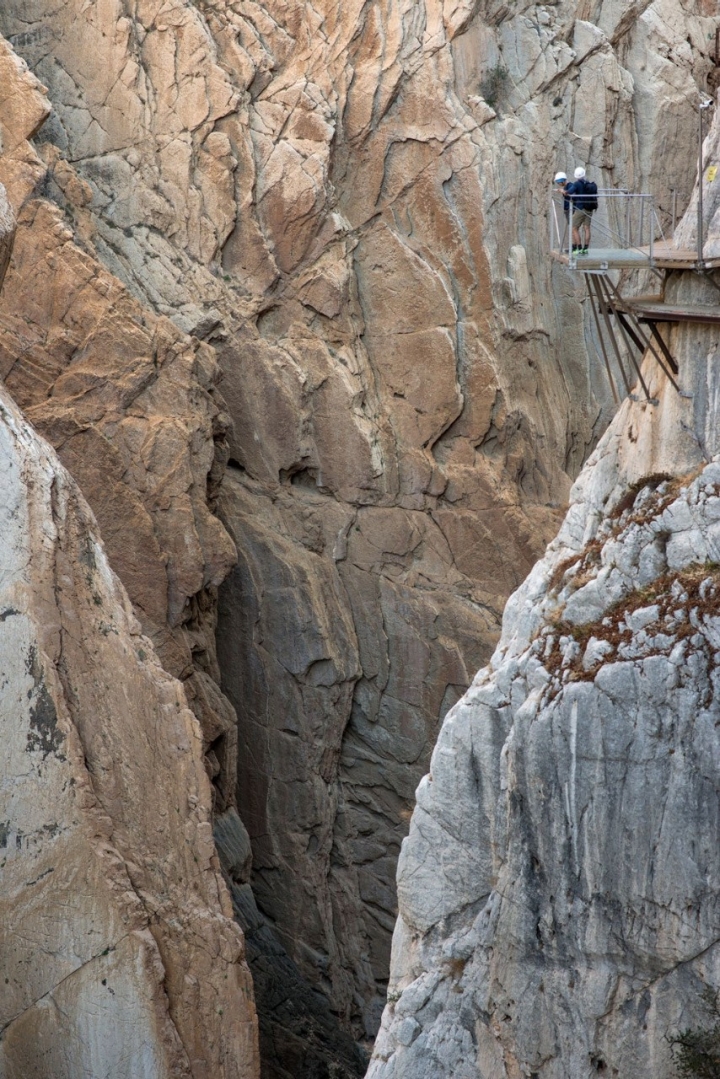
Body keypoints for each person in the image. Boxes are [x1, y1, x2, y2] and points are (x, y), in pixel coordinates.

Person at [566, 166, 597, 254]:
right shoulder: (587, 183)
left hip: (580, 208)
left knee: (574, 228)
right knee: (587, 228)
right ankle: (585, 248)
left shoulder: (577, 184)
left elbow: (569, 192)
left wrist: (563, 191)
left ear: (576, 176)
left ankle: (578, 248)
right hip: (589, 208)